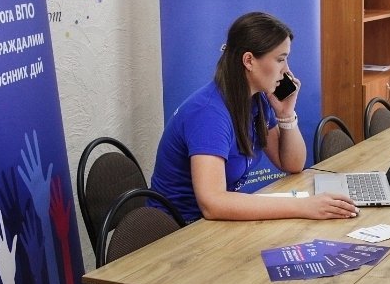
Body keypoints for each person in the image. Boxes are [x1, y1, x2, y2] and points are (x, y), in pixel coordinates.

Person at [150, 12, 358, 222]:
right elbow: (213, 203)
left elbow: (292, 164)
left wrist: (286, 115)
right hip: (182, 228)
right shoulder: (208, 114)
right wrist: (302, 206)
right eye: (280, 59)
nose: (286, 70)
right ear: (249, 60)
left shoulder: (256, 99)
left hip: (213, 223)